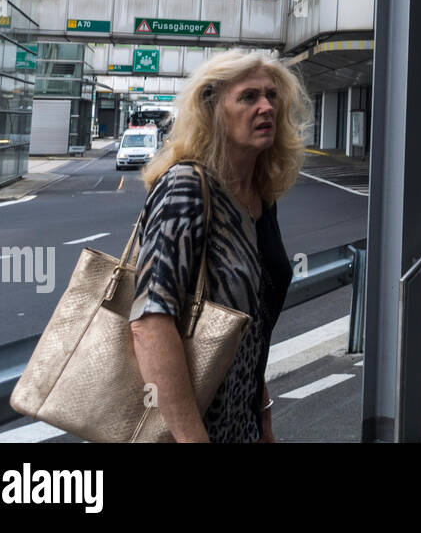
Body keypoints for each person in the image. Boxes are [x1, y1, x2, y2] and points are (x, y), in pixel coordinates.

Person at [129, 49, 311, 442]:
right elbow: (150, 321)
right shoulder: (186, 188)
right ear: (213, 109)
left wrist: (261, 414)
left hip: (239, 425)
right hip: (185, 431)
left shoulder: (261, 198)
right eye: (249, 97)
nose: (265, 107)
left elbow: (251, 326)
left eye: (271, 96)